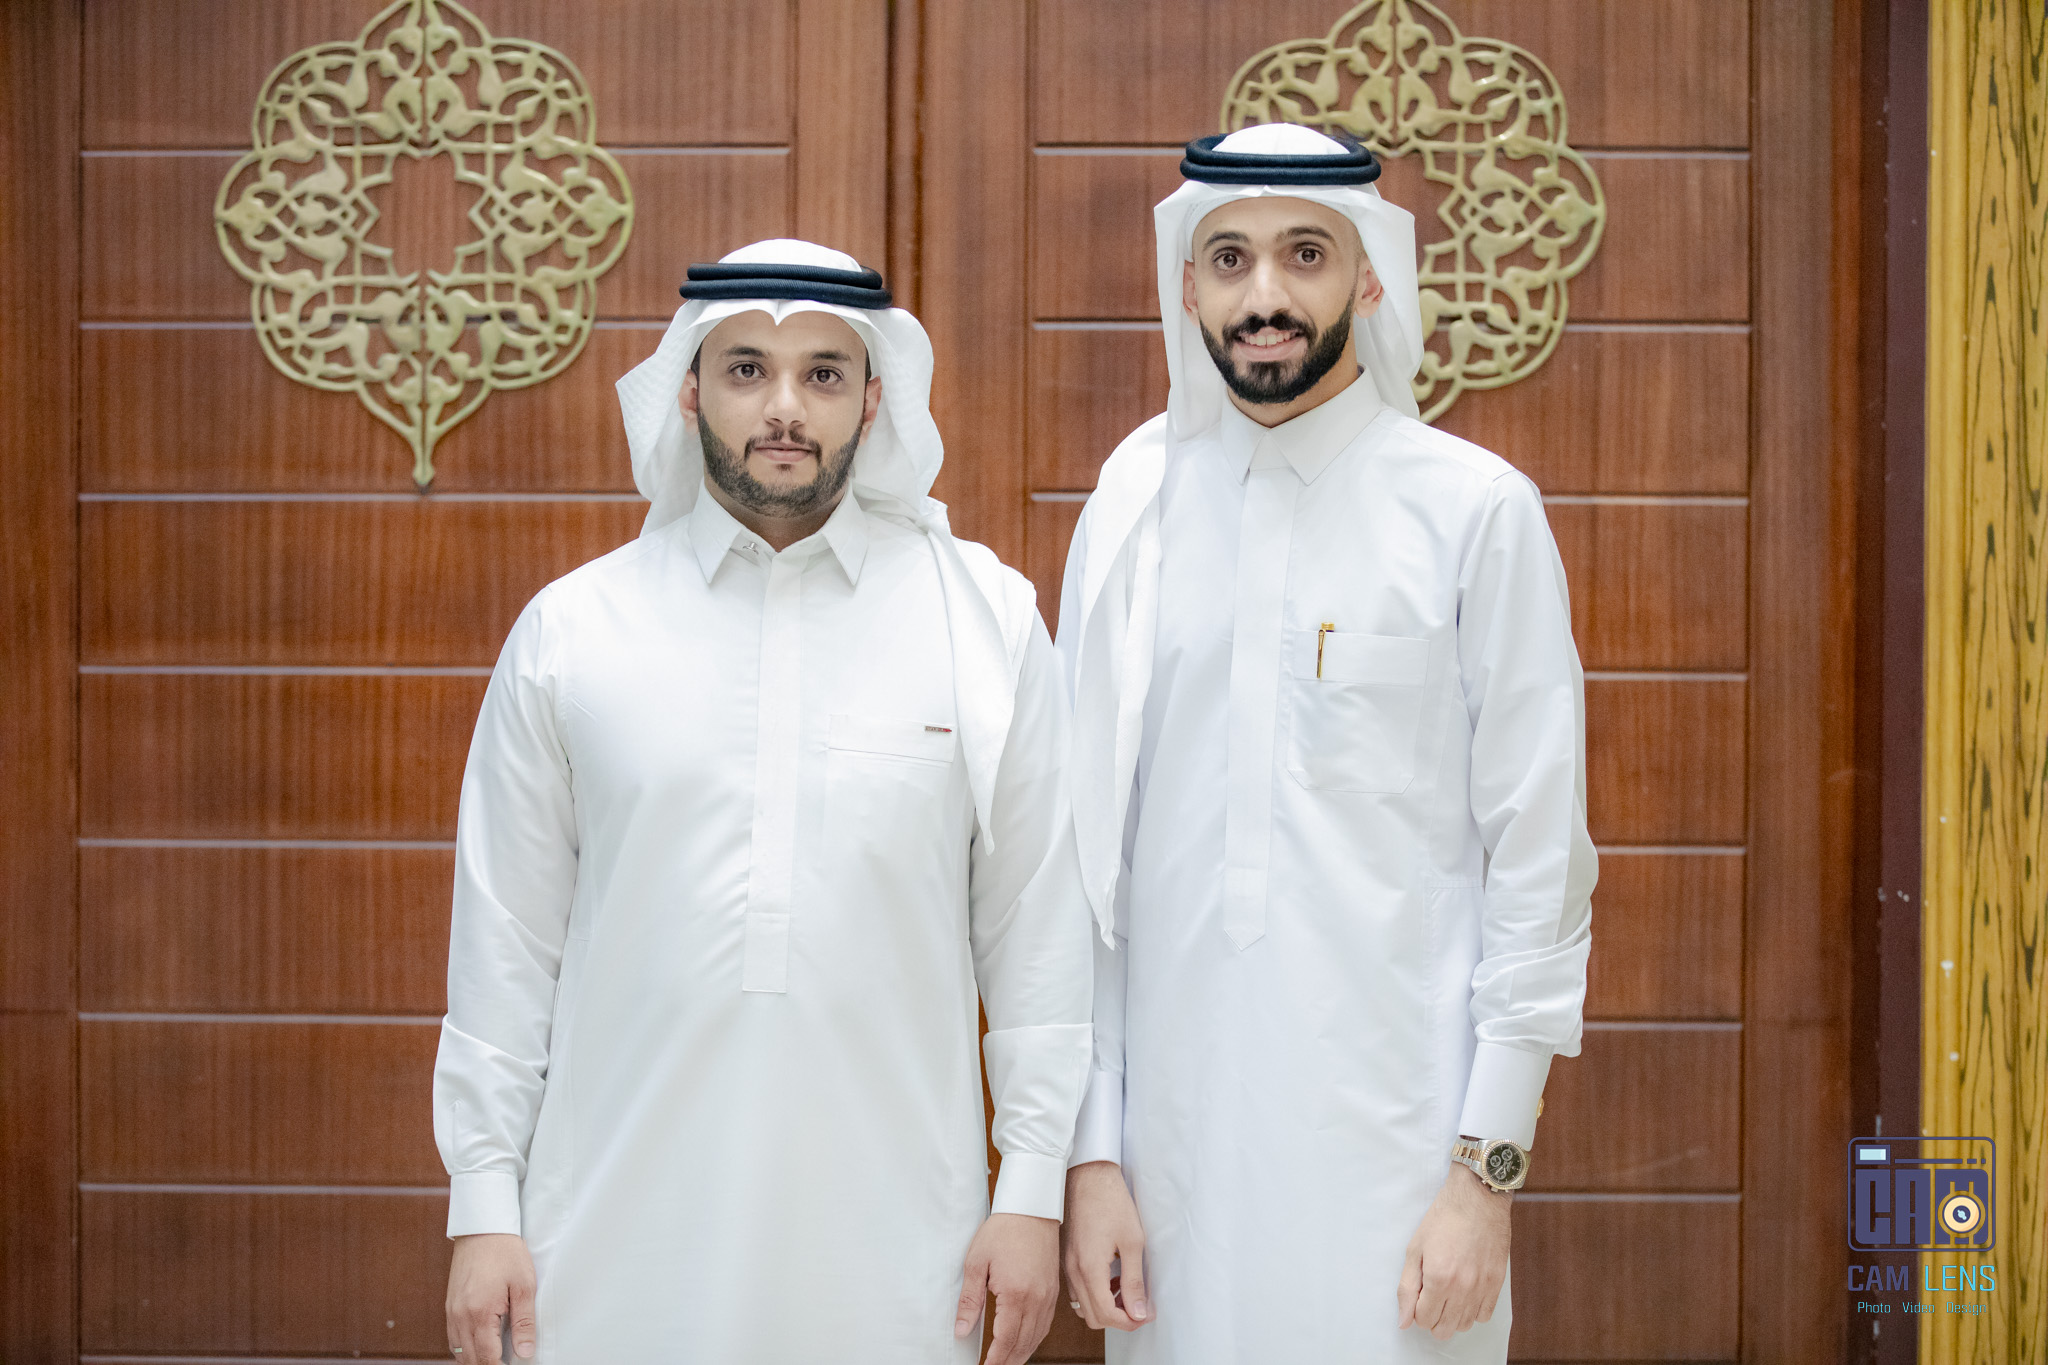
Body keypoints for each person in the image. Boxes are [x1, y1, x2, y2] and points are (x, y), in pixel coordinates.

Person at [432, 239, 1093, 1365]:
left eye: (823, 374)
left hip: (900, 1242)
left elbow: (1038, 931)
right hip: (609, 1232)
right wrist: (483, 1203)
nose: (784, 406)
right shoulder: (574, 632)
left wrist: (1029, 1189)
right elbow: (506, 944)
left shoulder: (980, 623)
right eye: (747, 369)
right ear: (689, 391)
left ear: (873, 400)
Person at [1055, 124, 1596, 1363]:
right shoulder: (1132, 512)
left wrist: (1483, 1175)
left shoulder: (1472, 511)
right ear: (1186, 289)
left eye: (1304, 254)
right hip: (1167, 1167)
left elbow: (1538, 863)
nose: (1264, 295)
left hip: (1405, 1162)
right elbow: (1082, 868)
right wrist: (1089, 1156)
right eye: (1228, 258)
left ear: (1369, 280)